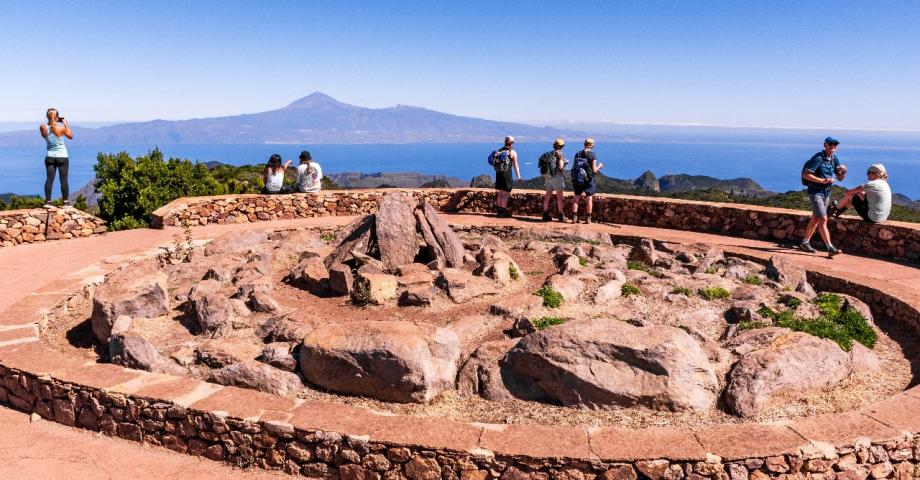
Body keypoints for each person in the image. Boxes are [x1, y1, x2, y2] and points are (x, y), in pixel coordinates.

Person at [798, 136, 847, 257]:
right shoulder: (818, 158)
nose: (832, 147)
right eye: (830, 144)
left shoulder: (834, 159)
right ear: (824, 145)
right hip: (815, 192)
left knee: (815, 218)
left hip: (826, 193)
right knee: (823, 219)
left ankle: (805, 243)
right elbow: (806, 175)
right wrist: (823, 181)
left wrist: (843, 172)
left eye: (835, 145)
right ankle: (830, 247)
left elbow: (840, 178)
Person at [39, 108, 73, 207]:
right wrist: (65, 124)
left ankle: (48, 202)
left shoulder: (43, 127)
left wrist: (54, 121)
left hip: (50, 157)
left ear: (47, 116)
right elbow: (71, 136)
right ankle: (65, 202)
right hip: (63, 156)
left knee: (49, 179)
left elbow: (45, 134)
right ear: (57, 116)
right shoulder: (61, 128)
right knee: (64, 180)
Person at [569, 138, 604, 224]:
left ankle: (574, 217)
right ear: (592, 145)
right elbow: (594, 170)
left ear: (584, 144)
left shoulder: (578, 153)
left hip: (578, 179)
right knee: (589, 198)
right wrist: (600, 166)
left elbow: (574, 167)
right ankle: (588, 218)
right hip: (588, 179)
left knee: (576, 198)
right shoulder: (592, 155)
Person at [491, 136, 520, 218]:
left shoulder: (500, 151)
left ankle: (499, 211)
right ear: (512, 143)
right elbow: (516, 165)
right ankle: (503, 212)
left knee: (500, 194)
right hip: (507, 174)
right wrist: (519, 176)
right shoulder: (512, 152)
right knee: (505, 194)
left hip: (499, 174)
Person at [540, 138, 567, 222]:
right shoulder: (559, 154)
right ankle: (561, 216)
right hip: (557, 177)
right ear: (562, 146)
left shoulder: (550, 154)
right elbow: (560, 167)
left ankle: (545, 215)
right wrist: (565, 163)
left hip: (548, 177)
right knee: (559, 197)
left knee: (547, 196)